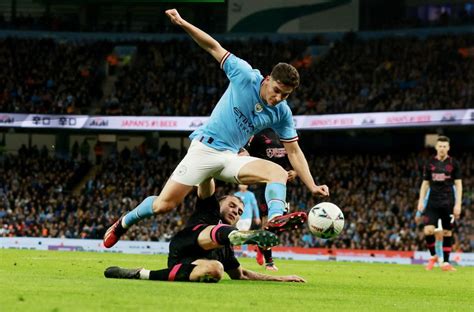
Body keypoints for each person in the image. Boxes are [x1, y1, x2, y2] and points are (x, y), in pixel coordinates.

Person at [103, 9, 329, 249]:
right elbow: (212, 46)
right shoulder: (244, 75)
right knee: (164, 205)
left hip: (231, 157)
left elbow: (294, 152)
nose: (278, 97)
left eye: (285, 95)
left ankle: (274, 219)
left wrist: (312, 185)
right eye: (276, 90)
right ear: (267, 80)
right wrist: (182, 23)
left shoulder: (282, 112)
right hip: (205, 150)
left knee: (278, 173)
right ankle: (123, 222)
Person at [104, 178, 305, 283]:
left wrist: (280, 278)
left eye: (240, 212)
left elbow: (240, 275)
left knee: (215, 269)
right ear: (220, 202)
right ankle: (250, 236)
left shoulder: (227, 249)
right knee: (216, 231)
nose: (236, 212)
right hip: (186, 241)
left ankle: (141, 274)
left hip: (184, 265)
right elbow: (206, 182)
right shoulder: (209, 208)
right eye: (233, 205)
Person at [243, 128, 298, 271]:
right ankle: (269, 262)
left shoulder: (287, 133)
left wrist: (295, 172)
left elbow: (295, 157)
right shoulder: (258, 135)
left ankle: (261, 245)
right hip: (264, 184)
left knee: (278, 224)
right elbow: (247, 156)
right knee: (268, 222)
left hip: (282, 185)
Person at [416, 136, 462, 272]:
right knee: (428, 230)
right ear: (436, 147)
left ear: (448, 148)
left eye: (444, 146)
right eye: (440, 146)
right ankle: (434, 255)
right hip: (432, 203)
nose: (442, 149)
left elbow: (459, 185)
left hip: (448, 202)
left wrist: (458, 204)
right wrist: (420, 201)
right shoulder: (430, 163)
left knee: (447, 233)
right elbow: (425, 184)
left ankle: (446, 263)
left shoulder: (454, 163)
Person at [234, 184, 260, 256]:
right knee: (238, 233)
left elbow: (255, 206)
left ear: (247, 186)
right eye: (241, 184)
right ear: (239, 185)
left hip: (247, 216)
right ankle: (236, 250)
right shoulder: (236, 195)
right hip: (238, 216)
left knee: (244, 233)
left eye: (244, 184)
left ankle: (244, 251)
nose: (243, 186)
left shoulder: (250, 195)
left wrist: (257, 216)